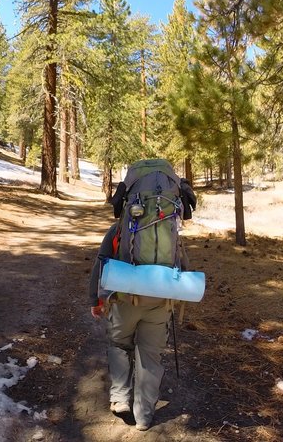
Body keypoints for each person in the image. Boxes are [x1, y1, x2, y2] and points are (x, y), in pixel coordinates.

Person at [89, 177, 195, 431]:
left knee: (119, 344)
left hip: (124, 300)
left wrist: (95, 299)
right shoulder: (169, 230)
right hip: (159, 302)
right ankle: (145, 415)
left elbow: (101, 263)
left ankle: (120, 397)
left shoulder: (119, 230)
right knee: (150, 356)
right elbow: (183, 267)